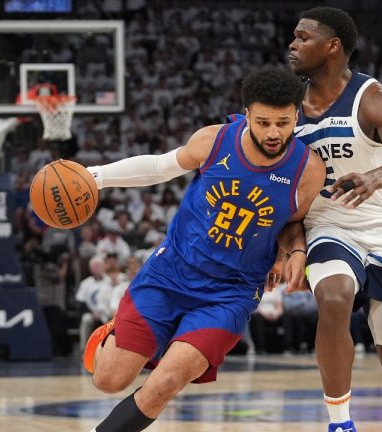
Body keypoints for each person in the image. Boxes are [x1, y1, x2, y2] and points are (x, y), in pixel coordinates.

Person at [81, 66, 325, 432]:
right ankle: (112, 334)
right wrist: (95, 176)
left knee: (164, 384)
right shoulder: (214, 140)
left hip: (231, 293)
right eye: (263, 122)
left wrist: (292, 252)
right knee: (109, 380)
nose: (274, 133)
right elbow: (159, 168)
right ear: (246, 116)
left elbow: (293, 224)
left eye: (283, 122)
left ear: (296, 116)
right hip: (170, 274)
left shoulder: (308, 169)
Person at [289, 7, 382, 432]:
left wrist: (376, 175)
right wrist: (290, 242)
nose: (292, 45)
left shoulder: (374, 98)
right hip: (328, 227)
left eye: (302, 37)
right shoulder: (287, 106)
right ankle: (339, 424)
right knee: (333, 298)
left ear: (332, 47)